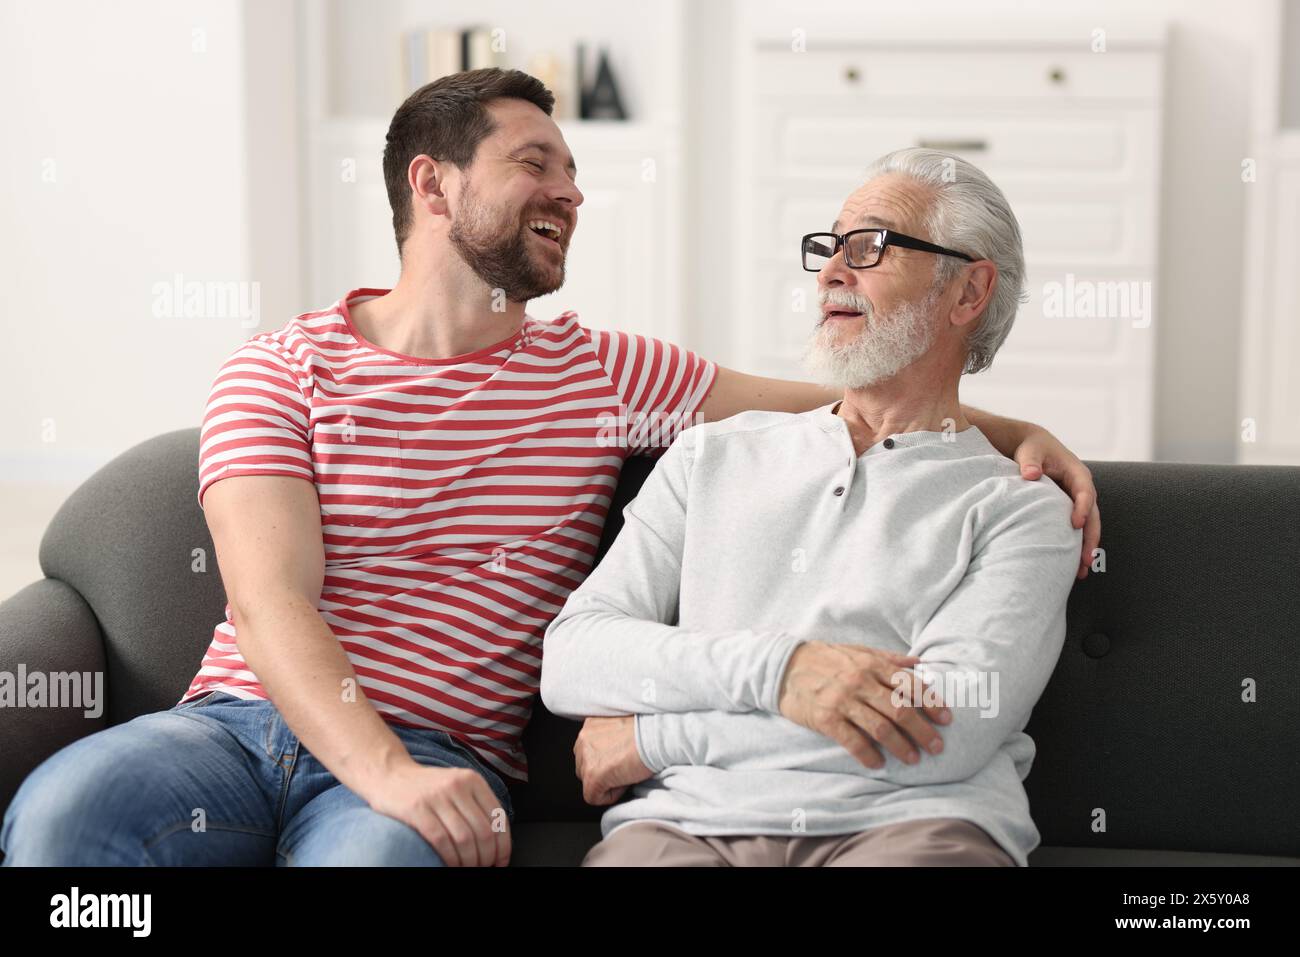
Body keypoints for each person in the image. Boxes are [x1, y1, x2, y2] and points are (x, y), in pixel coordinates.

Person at [1, 71, 1096, 867]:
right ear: (431, 187)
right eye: (537, 164)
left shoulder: (609, 375)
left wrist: (1010, 432)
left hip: (442, 749)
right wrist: (382, 771)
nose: (570, 193)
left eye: (574, 174)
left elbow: (845, 396)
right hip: (229, 731)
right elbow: (267, 598)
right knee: (62, 822)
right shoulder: (279, 368)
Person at [541, 147, 1080, 867]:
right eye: (830, 246)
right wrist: (782, 669)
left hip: (913, 829)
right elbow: (574, 655)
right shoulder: (711, 455)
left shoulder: (1022, 509)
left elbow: (942, 733)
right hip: (685, 830)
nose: (831, 270)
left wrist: (655, 737)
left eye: (870, 246)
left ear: (968, 291)